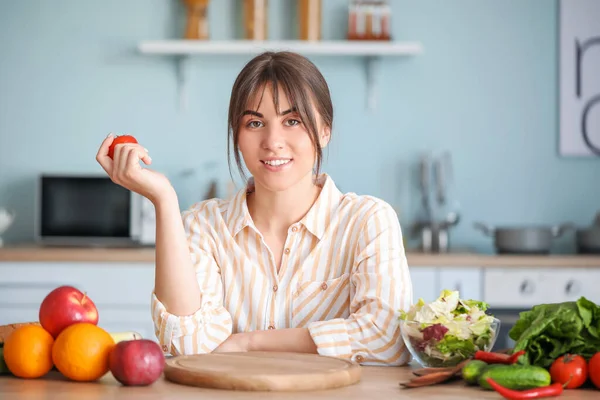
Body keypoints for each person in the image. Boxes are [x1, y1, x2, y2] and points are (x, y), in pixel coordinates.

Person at [95, 51, 413, 366]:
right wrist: (164, 199)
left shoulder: (368, 220)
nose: (273, 141)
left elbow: (386, 339)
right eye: (255, 122)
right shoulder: (202, 225)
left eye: (293, 121)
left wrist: (249, 342)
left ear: (325, 131)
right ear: (237, 135)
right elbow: (187, 344)